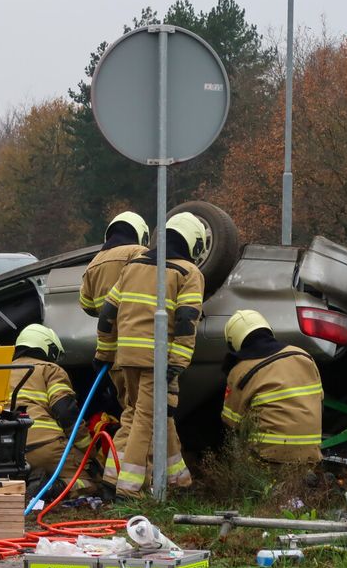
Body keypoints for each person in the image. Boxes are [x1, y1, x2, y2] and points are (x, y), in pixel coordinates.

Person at [97, 212, 206, 498]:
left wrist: (104, 352)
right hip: (155, 359)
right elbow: (186, 320)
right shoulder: (188, 273)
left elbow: (107, 313)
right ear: (194, 243)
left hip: (126, 355)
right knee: (147, 419)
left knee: (139, 414)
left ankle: (172, 481)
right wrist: (178, 362)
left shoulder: (133, 266)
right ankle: (129, 490)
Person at [79, 211, 150, 445]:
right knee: (141, 417)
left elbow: (86, 304)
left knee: (129, 410)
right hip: (141, 349)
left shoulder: (94, 263)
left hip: (113, 354)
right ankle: (124, 463)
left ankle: (129, 462)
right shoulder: (138, 253)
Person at [221, 309, 324, 466]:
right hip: (311, 455)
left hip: (267, 458)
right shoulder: (303, 355)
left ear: (232, 342)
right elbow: (319, 401)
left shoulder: (240, 371)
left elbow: (231, 422)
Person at [8, 324, 97, 496]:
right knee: (90, 482)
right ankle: (49, 488)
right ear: (48, 347)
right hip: (46, 447)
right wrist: (89, 449)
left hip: (8, 452)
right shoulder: (50, 370)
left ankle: (32, 484)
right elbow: (66, 412)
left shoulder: (0, 371)